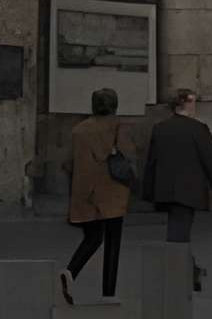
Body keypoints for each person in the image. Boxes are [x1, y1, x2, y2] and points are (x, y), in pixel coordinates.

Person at [141, 85, 212, 294]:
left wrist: (149, 191)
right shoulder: (198, 129)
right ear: (186, 103)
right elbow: (210, 162)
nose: (196, 106)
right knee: (179, 233)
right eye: (194, 101)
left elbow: (151, 161)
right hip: (189, 189)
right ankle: (181, 274)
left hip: (165, 188)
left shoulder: (160, 128)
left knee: (177, 230)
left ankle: (189, 270)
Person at [60, 85, 132, 304]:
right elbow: (129, 153)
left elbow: (68, 163)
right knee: (113, 243)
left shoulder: (79, 130)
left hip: (86, 192)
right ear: (114, 106)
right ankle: (108, 294)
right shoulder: (118, 127)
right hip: (113, 192)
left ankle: (70, 272)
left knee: (92, 238)